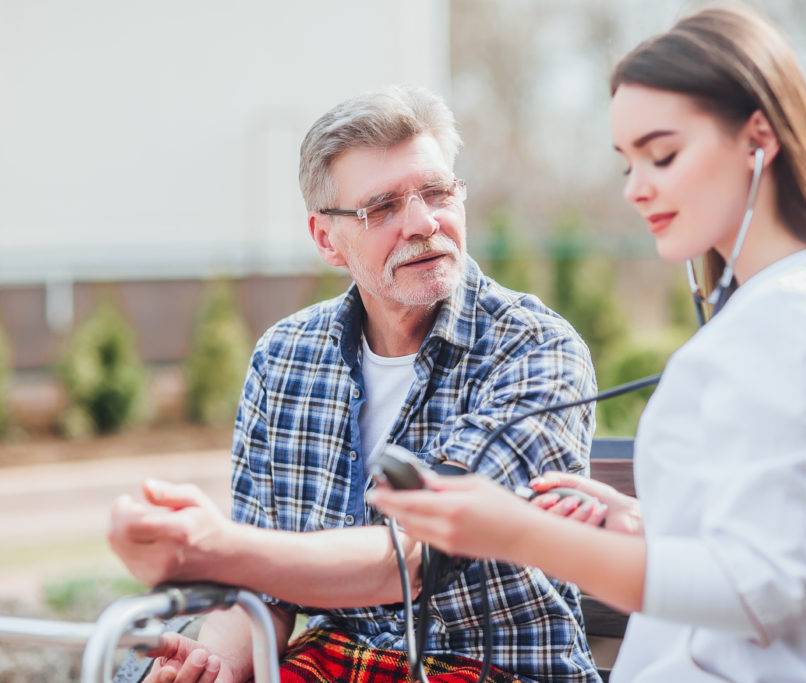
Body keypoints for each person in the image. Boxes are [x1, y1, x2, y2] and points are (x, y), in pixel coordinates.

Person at [369, 7, 806, 682]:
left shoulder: (793, 315)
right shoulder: (791, 300)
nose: (638, 188)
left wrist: (516, 532)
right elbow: (786, 539)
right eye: (627, 163)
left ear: (759, 139)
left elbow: (759, 588)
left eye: (663, 155)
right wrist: (645, 520)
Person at [107, 85, 601, 683]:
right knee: (135, 669)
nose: (423, 223)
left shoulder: (535, 349)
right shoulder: (285, 358)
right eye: (383, 207)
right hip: (338, 664)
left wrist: (213, 546)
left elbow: (420, 552)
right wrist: (214, 662)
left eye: (437, 192)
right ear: (325, 239)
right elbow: (260, 594)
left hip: (496, 669)